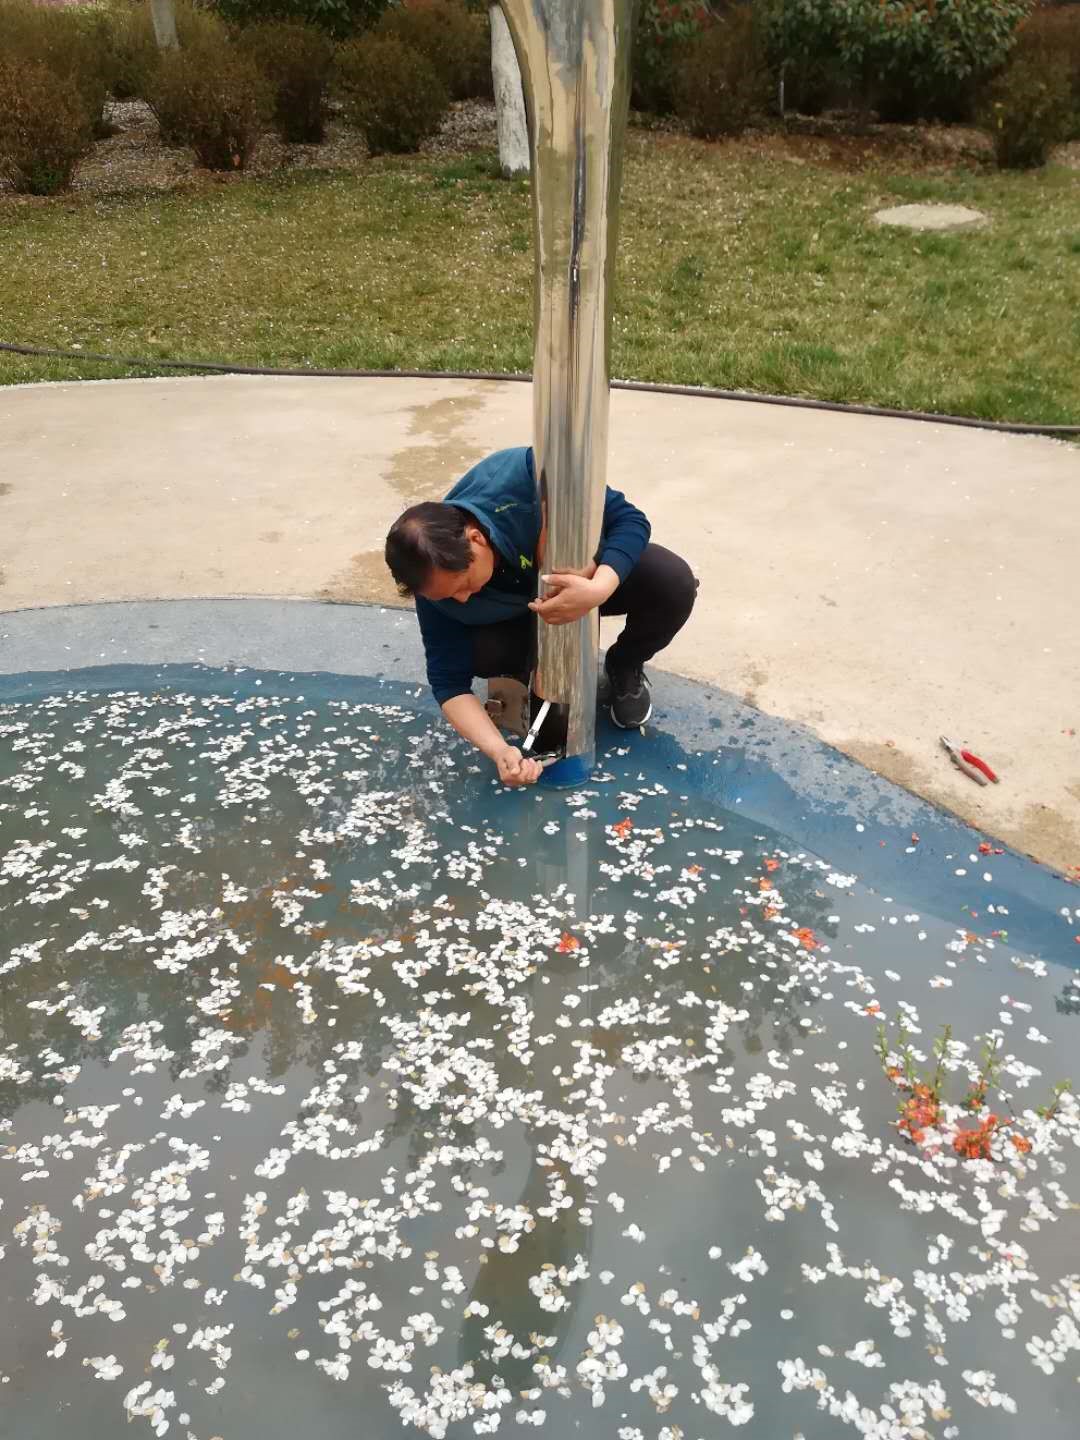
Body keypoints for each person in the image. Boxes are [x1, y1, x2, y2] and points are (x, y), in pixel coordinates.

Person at [384, 446, 697, 788]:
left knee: (671, 581)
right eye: (447, 597)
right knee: (483, 650)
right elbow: (448, 682)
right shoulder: (434, 583)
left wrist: (600, 587)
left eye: (463, 585)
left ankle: (623, 665)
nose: (460, 600)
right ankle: (529, 678)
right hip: (516, 616)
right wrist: (499, 750)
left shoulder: (526, 476)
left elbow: (629, 519)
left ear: (476, 540)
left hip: (582, 580)